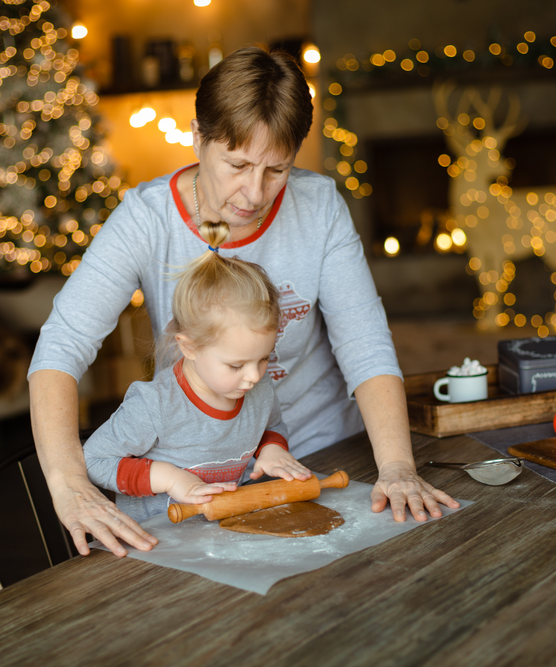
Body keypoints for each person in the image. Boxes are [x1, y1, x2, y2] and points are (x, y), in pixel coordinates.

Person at [28, 45, 458, 558]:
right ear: (198, 137)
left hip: (318, 452)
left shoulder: (319, 206)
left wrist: (397, 468)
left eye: (277, 169)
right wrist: (68, 482)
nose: (254, 193)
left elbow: (364, 343)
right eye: (237, 164)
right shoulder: (146, 220)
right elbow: (63, 345)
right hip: (199, 475)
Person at [82, 220, 311, 522]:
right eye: (236, 364)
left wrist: (271, 449)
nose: (255, 376)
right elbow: (94, 460)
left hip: (222, 530)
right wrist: (170, 479)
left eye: (264, 358)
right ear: (189, 348)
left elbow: (271, 426)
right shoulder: (156, 405)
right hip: (157, 544)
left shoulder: (256, 388)